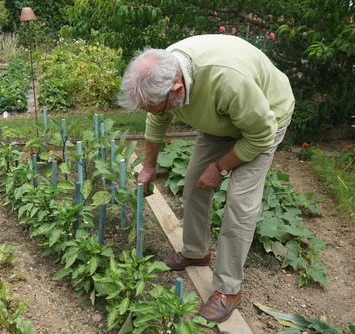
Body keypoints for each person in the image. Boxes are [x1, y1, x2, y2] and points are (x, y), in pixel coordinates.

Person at [118, 34, 294, 323]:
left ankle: (228, 289)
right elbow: (157, 119)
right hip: (223, 117)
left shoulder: (227, 80)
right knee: (194, 183)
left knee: (239, 203)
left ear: (177, 90)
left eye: (156, 106)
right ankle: (196, 251)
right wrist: (148, 166)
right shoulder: (168, 69)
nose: (156, 112)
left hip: (264, 121)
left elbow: (261, 134)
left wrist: (220, 167)